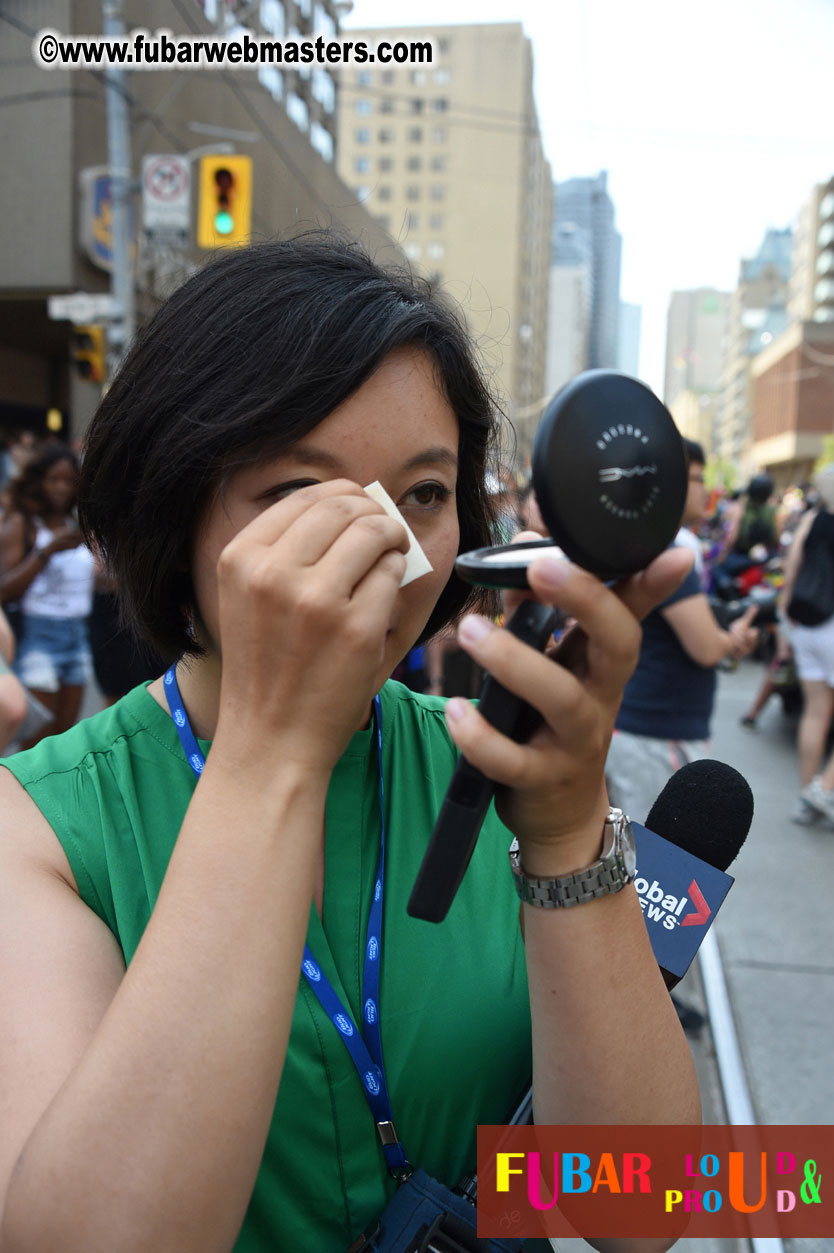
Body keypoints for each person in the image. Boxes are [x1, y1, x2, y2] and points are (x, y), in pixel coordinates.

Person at [0, 233, 698, 1253]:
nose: (387, 553)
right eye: (298, 495)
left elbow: (643, 1210)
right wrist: (273, 754)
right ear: (174, 507)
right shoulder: (39, 827)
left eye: (424, 493)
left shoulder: (492, 764)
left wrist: (566, 830)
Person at [605, 445, 760, 826]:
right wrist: (734, 639)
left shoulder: (640, 546)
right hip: (656, 733)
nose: (705, 489)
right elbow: (706, 648)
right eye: (696, 478)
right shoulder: (665, 558)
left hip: (645, 727)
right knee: (652, 869)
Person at [0, 445, 96, 747]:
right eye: (54, 479)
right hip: (39, 636)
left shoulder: (77, 528)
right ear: (39, 481)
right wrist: (47, 551)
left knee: (64, 741)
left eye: (69, 481)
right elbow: (4, 588)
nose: (61, 487)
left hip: (78, 635)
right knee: (36, 744)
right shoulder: (23, 525)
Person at [778, 463, 834, 825]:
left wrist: (785, 614)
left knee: (816, 711)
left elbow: (791, 566)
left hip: (807, 623)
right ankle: (824, 790)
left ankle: (807, 794)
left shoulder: (814, 518)